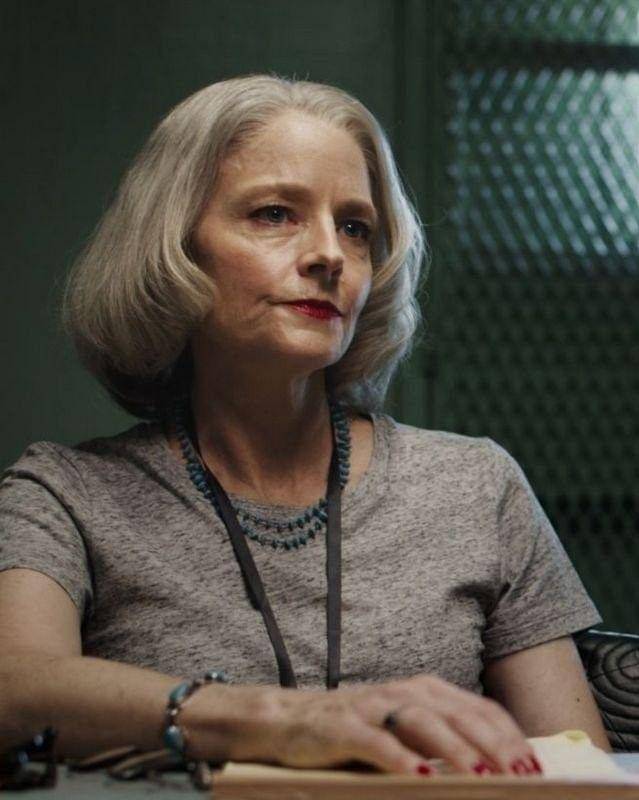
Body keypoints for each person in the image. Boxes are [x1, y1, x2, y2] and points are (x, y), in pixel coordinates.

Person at [0, 74, 609, 777]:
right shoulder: (65, 495)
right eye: (273, 214)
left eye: (355, 228)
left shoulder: (475, 485)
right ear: (174, 246)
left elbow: (583, 772)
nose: (329, 254)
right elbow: (13, 691)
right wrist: (281, 721)